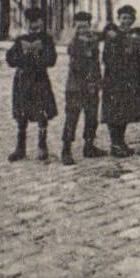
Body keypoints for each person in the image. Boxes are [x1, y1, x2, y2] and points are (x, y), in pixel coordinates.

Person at [6, 5, 57, 163]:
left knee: (42, 114)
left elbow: (51, 60)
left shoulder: (47, 40)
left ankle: (42, 146)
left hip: (39, 80)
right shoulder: (20, 40)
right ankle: (20, 148)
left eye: (37, 22)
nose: (34, 25)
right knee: (22, 115)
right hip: (22, 81)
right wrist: (23, 57)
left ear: (42, 23)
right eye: (31, 22)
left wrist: (37, 57)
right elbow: (11, 60)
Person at [101, 5, 140, 157]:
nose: (126, 21)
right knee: (114, 111)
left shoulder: (135, 36)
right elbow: (106, 58)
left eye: (129, 18)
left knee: (124, 111)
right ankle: (115, 144)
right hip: (114, 79)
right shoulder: (112, 35)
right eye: (123, 18)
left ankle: (120, 142)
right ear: (118, 19)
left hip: (130, 78)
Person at [61, 11, 106, 164]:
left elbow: (95, 64)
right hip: (75, 88)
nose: (83, 30)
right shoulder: (74, 44)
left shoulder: (92, 40)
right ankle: (66, 149)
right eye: (79, 27)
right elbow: (78, 67)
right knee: (72, 118)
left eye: (85, 27)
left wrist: (96, 82)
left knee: (92, 117)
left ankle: (89, 145)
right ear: (74, 27)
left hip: (92, 87)